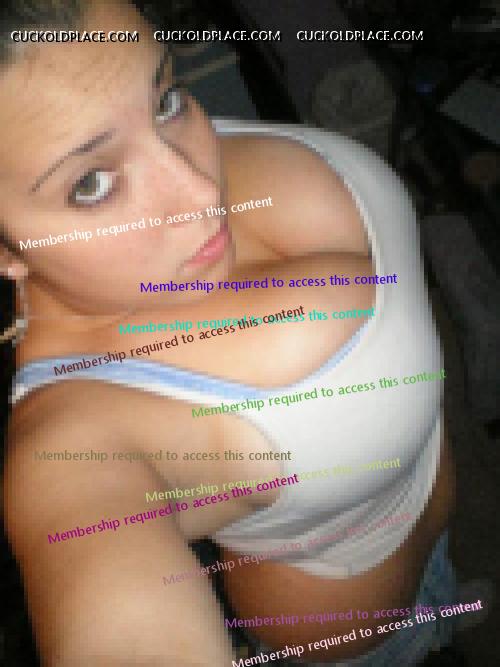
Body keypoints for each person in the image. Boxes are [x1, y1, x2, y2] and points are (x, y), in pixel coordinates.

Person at [1, 1, 454, 665]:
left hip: (439, 530)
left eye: (166, 99)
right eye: (92, 184)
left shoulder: (114, 127)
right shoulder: (78, 435)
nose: (200, 192)